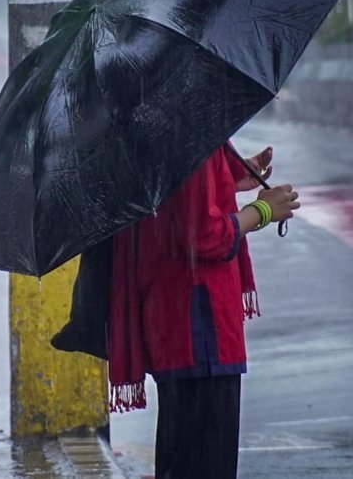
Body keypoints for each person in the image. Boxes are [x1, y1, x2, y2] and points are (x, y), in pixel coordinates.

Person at [108, 144, 298, 479]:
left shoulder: (167, 131)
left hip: (176, 320)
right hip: (201, 325)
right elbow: (204, 236)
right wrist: (263, 211)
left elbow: (181, 201)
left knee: (183, 456)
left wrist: (231, 175)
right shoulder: (191, 140)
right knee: (206, 462)